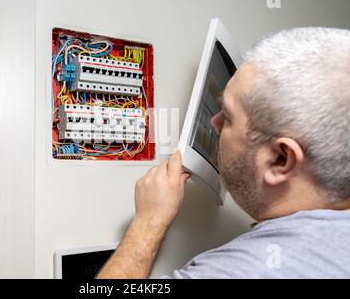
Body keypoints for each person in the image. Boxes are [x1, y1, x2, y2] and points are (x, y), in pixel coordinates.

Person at [96, 27, 350, 279]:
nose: (214, 123)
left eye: (228, 117)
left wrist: (148, 224)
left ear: (280, 159)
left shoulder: (244, 270)